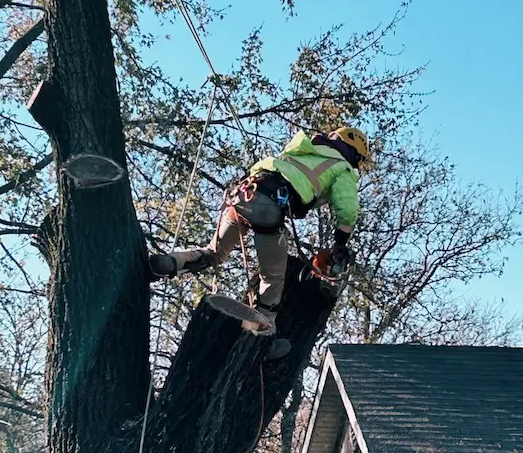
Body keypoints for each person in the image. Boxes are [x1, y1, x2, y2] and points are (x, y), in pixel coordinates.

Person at [149, 126, 370, 335]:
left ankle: (170, 262)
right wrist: (340, 241)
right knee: (273, 276)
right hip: (269, 207)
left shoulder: (302, 149)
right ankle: (262, 329)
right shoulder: (343, 167)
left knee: (214, 253)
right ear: (354, 154)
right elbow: (348, 210)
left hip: (243, 194)